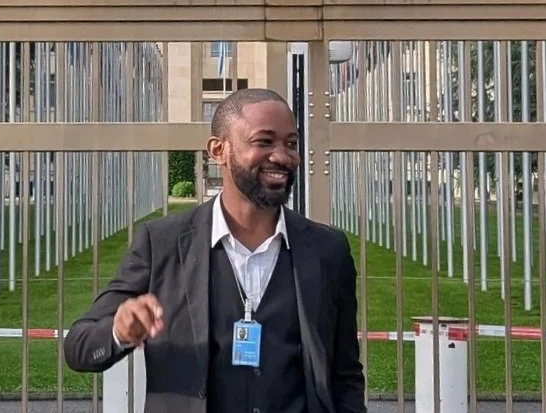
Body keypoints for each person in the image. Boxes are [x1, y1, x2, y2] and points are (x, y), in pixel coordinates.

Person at [64, 88, 366, 413]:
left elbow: (344, 374)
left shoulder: (327, 250)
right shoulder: (162, 243)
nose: (281, 156)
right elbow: (79, 347)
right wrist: (119, 331)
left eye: (290, 143)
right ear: (218, 150)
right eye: (264, 142)